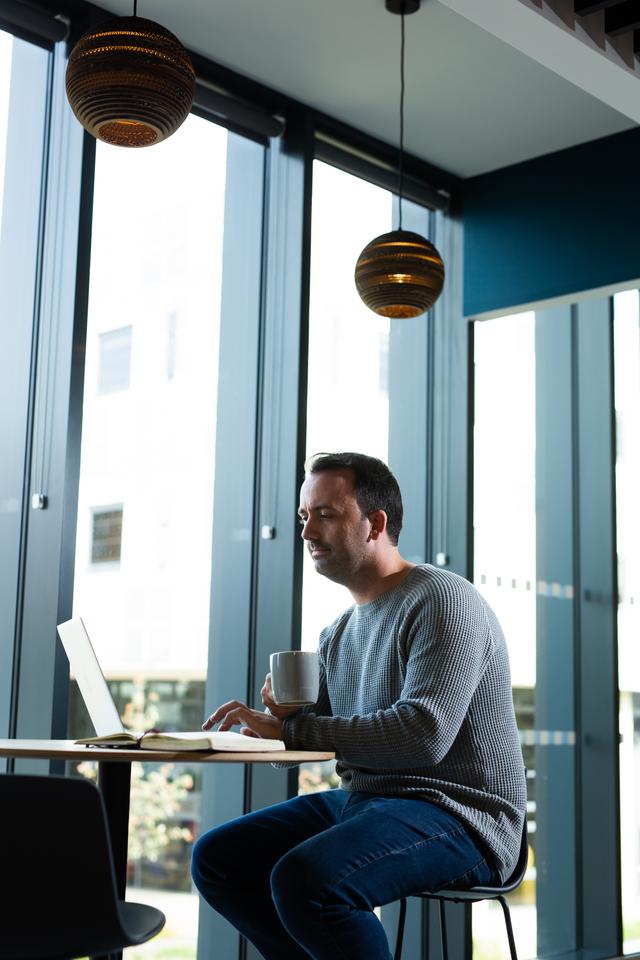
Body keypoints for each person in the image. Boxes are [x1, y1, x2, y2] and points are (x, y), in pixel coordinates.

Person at [191, 452, 526, 960]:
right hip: (367, 800)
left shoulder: (441, 599)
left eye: (325, 514)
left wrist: (298, 732)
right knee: (219, 858)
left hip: (463, 814)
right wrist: (275, 724)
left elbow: (423, 733)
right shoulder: (338, 633)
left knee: (309, 881)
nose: (307, 532)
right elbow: (316, 733)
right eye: (305, 517)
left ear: (375, 523)